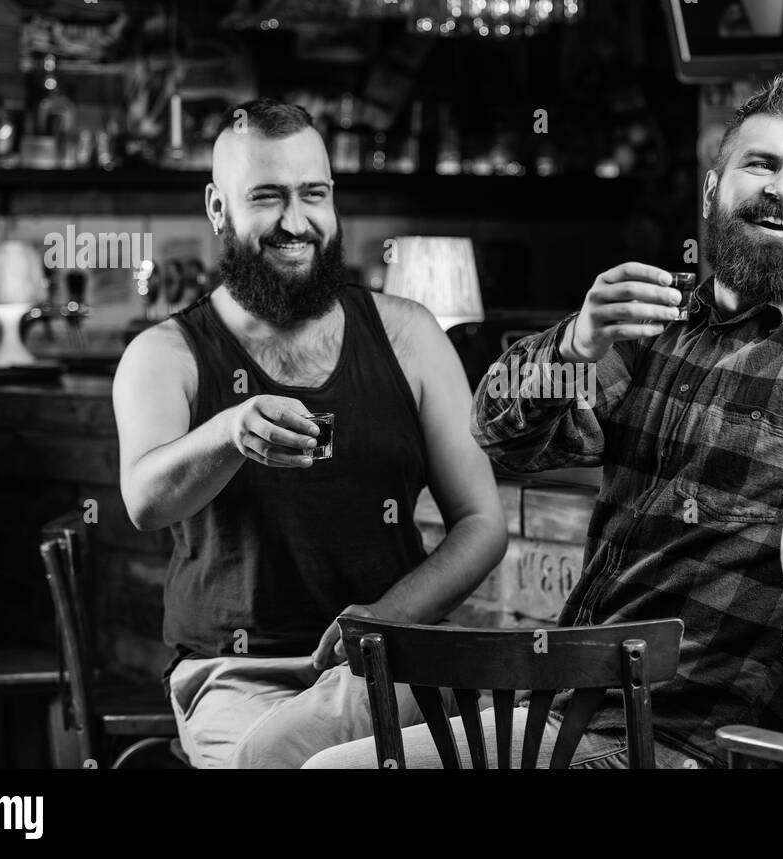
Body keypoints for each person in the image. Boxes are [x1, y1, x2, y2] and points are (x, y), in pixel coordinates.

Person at [304, 70, 783, 770]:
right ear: (713, 189)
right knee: (296, 756)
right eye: (760, 165)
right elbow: (501, 430)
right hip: (562, 699)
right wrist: (575, 340)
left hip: (675, 742)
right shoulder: (652, 319)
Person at [112, 98, 507, 768]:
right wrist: (228, 432)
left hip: (392, 657)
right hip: (235, 676)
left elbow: (481, 523)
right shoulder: (165, 353)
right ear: (218, 209)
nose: (296, 221)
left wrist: (384, 617)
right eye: (267, 196)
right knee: (274, 758)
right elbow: (146, 500)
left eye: (313, 194)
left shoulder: (410, 334)